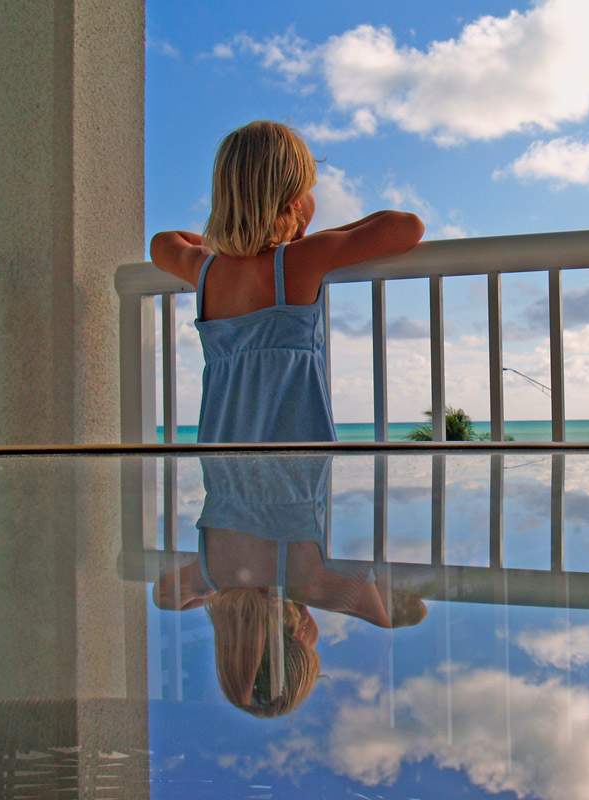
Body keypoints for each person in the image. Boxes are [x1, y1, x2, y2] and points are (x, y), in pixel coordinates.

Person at [150, 120, 425, 443]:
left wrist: (236, 245)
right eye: (310, 188)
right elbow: (408, 226)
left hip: (224, 467)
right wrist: (299, 242)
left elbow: (163, 242)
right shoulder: (298, 260)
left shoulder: (206, 269)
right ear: (295, 200)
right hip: (296, 467)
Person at [152, 454, 428, 717]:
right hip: (223, 433)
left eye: (313, 653)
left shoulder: (310, 582)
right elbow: (162, 596)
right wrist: (235, 603)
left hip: (297, 440)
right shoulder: (216, 574)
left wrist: (378, 618)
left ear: (298, 639)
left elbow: (416, 611)